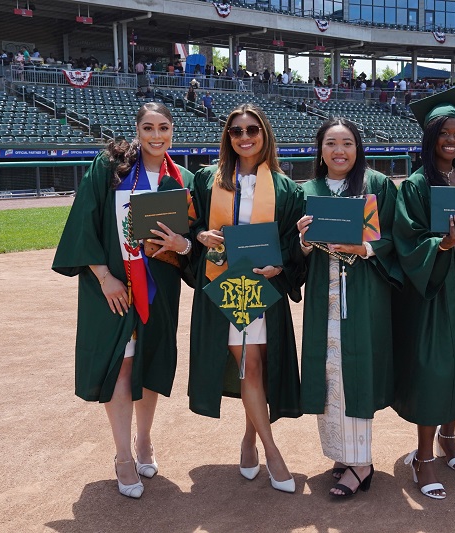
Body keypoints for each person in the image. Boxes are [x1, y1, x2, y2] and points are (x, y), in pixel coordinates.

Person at [52, 102, 195, 499]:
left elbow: (194, 243)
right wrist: (103, 277)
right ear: (137, 130)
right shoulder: (110, 168)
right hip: (112, 289)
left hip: (159, 289)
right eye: (148, 127)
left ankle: (144, 440)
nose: (156, 135)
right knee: (121, 366)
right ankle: (122, 456)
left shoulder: (181, 179)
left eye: (163, 127)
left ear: (172, 131)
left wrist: (182, 244)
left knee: (148, 363)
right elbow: (84, 221)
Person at [187, 104, 304, 494]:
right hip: (224, 285)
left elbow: (292, 244)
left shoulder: (287, 189)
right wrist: (201, 236)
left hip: (263, 286)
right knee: (249, 367)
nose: (245, 137)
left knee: (261, 366)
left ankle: (249, 439)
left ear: (264, 133)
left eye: (252, 129)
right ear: (228, 138)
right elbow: (189, 227)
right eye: (236, 131)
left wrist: (281, 266)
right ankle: (273, 452)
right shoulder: (207, 179)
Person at [296, 118, 402, 498]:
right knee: (329, 369)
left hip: (363, 292)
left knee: (355, 368)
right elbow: (293, 252)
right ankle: (341, 454)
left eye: (347, 143)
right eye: (331, 143)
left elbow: (395, 235)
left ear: (358, 149)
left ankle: (361, 462)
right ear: (320, 150)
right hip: (323, 294)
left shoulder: (376, 185)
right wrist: (304, 241)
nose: (339, 151)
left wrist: (366, 248)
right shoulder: (306, 191)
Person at [392, 89, 455, 500]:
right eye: (444, 133)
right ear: (430, 136)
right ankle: (424, 456)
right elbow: (407, 241)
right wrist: (443, 245)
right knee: (435, 369)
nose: (452, 140)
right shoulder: (415, 185)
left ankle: (449, 436)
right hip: (438, 287)